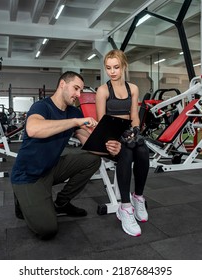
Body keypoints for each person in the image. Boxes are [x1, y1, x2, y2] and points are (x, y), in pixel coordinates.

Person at [11, 71, 121, 240]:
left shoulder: (73, 112)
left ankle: (61, 203)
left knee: (92, 160)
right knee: (48, 229)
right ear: (62, 84)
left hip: (52, 168)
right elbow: (33, 129)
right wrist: (76, 122)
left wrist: (109, 149)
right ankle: (23, 199)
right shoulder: (42, 106)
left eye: (80, 91)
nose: (78, 95)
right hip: (28, 175)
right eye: (76, 89)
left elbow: (88, 143)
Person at [96, 49, 150, 237]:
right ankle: (125, 207)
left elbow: (134, 116)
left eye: (116, 67)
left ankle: (138, 197)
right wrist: (115, 138)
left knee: (143, 151)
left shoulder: (132, 89)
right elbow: (102, 122)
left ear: (124, 66)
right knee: (126, 153)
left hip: (128, 130)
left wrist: (135, 131)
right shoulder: (103, 90)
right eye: (109, 68)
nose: (112, 71)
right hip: (110, 134)